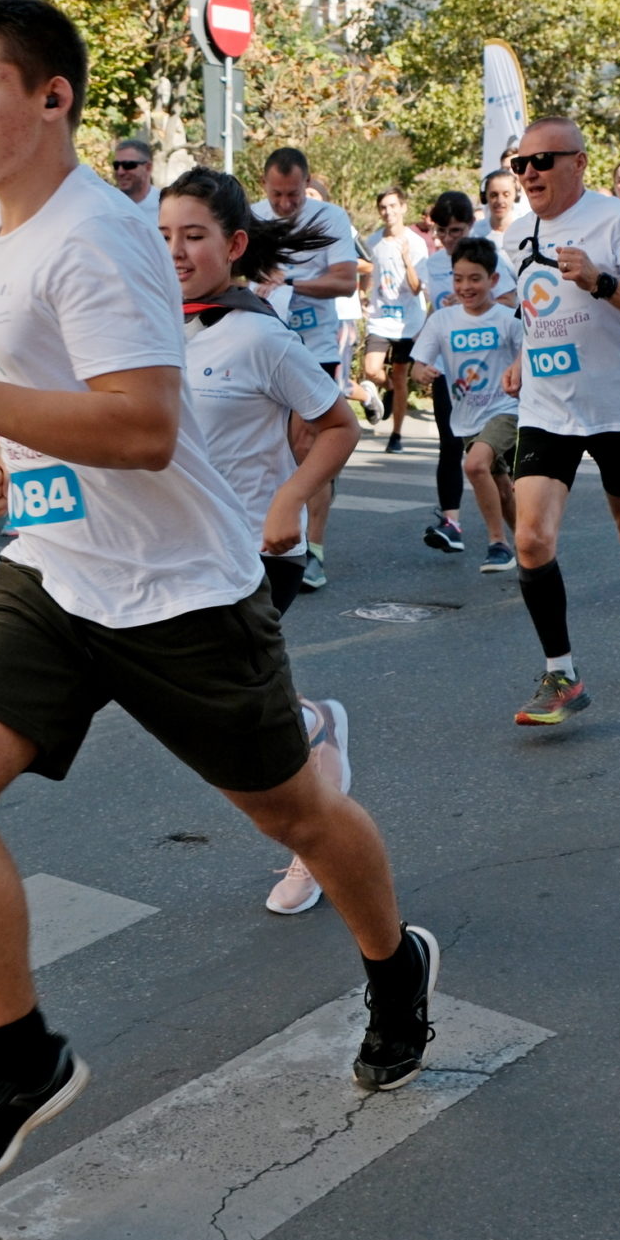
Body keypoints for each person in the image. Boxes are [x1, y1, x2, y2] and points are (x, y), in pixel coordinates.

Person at [0, 0, 435, 1201]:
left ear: (50, 98)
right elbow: (57, 408)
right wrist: (3, 457)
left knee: (296, 817)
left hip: (181, 593)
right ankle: (19, 1055)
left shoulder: (101, 234)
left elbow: (139, 427)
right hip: (53, 572)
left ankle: (394, 966)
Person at [161, 167, 365, 914]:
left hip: (256, 552)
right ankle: (312, 722)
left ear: (233, 244)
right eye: (163, 237)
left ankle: (315, 846)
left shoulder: (258, 334)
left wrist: (291, 499)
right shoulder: (151, 329)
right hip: (178, 551)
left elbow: (339, 426)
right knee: (219, 712)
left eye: (193, 236)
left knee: (240, 723)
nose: (175, 252)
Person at [497, 117, 620, 715]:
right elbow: (538, 313)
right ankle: (562, 675)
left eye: (541, 161)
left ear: (578, 162)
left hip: (614, 406)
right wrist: (526, 358)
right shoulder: (515, 233)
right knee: (530, 539)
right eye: (518, 164)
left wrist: (602, 282)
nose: (528, 174)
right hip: (546, 407)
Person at [253, 149, 360, 589]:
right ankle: (267, 537)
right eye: (277, 194)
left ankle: (313, 550)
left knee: (307, 444)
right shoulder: (252, 217)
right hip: (261, 344)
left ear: (306, 184)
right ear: (264, 186)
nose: (284, 204)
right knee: (267, 445)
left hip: (314, 346)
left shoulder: (329, 218)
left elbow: (346, 280)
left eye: (293, 195)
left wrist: (291, 282)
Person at [410, 239, 524, 573]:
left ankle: (497, 544)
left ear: (493, 280)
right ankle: (532, 544)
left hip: (506, 410)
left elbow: (528, 354)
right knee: (501, 487)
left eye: (474, 278)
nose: (465, 286)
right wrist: (423, 373)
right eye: (458, 279)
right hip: (467, 417)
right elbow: (418, 364)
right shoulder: (442, 321)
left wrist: (518, 371)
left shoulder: (508, 319)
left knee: (475, 466)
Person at [359, 188, 428, 452]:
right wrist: (363, 293)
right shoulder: (373, 241)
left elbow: (415, 287)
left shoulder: (416, 243)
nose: (388, 212)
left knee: (401, 378)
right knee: (371, 369)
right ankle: (384, 388)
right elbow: (367, 270)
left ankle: (396, 435)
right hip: (380, 318)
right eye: (383, 207)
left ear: (403, 207)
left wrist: (407, 259)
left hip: (408, 322)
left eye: (392, 206)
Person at [108, 136, 158, 216]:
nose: (120, 172)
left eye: (128, 165)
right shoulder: (107, 207)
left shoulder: (167, 208)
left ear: (148, 168)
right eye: (116, 165)